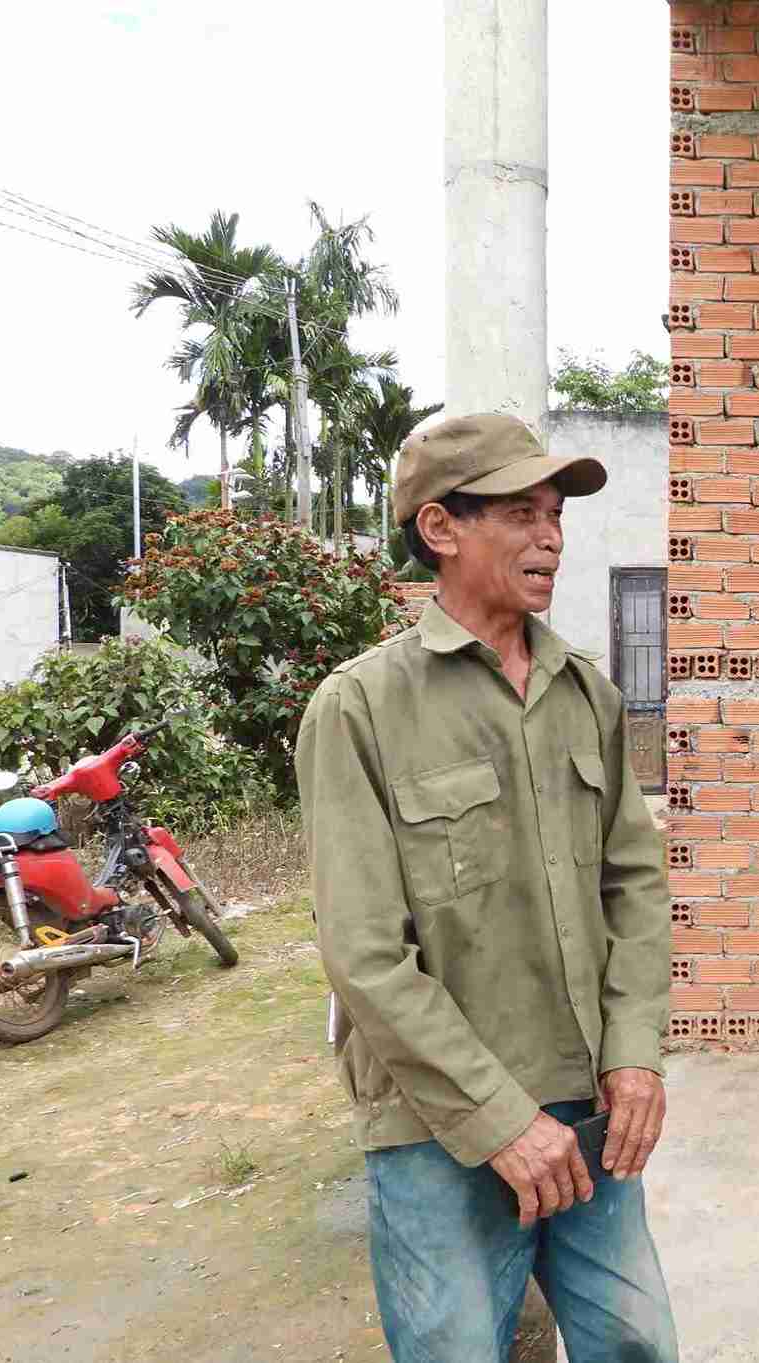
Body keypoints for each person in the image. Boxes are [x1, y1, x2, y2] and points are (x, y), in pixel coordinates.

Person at [297, 412, 678, 1363]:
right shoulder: (359, 708)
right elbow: (365, 956)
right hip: (440, 1125)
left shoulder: (586, 694)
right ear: (440, 529)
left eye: (554, 513)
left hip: (589, 1105)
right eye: (520, 512)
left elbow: (633, 885)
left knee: (638, 1344)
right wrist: (501, 1122)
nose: (551, 535)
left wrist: (634, 1053)